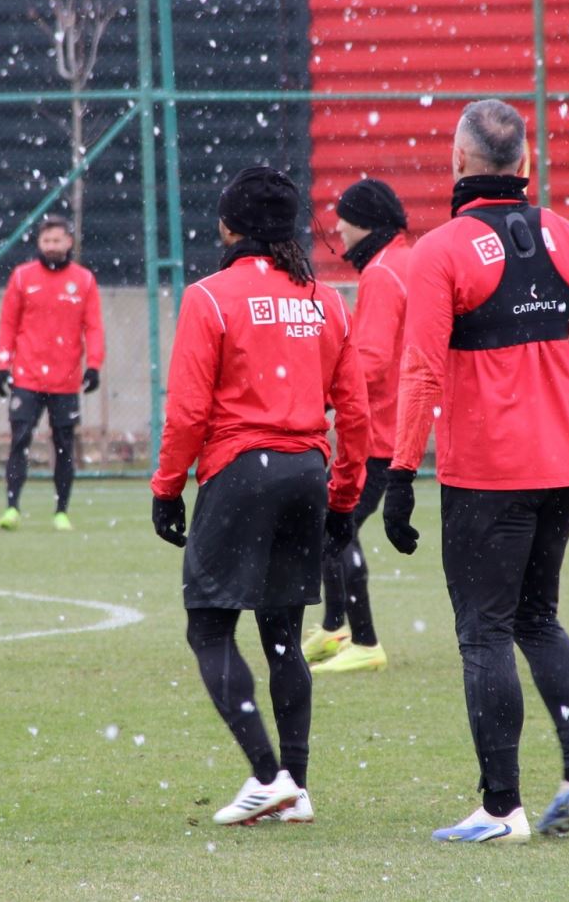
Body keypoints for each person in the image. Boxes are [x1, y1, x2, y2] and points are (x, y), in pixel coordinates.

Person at [381, 99, 569, 844]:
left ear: (458, 162)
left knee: (484, 633)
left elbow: (421, 371)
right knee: (537, 619)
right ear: (525, 164)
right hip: (561, 470)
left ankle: (500, 809)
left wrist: (399, 473)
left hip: (487, 476)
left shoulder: (441, 251)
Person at [150, 166, 370, 826]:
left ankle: (266, 774)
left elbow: (188, 411)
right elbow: (355, 413)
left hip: (242, 471)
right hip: (306, 472)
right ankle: (295, 786)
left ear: (227, 227)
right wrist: (344, 497)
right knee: (283, 637)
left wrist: (167, 487)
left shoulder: (209, 297)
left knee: (209, 626)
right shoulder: (327, 300)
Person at [301, 177, 414, 675]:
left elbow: (370, 362)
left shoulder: (383, 273)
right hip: (398, 425)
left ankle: (364, 640)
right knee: (330, 523)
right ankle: (334, 628)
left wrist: (322, 399)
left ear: (365, 222)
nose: (338, 230)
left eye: (343, 219)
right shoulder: (405, 261)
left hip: (379, 432)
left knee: (333, 526)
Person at [0, 215, 103, 531]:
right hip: (27, 377)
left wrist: (94, 365)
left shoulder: (83, 280)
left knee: (64, 445)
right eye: (46, 241)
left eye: (57, 240)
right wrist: (2, 365)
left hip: (65, 380)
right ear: (39, 243)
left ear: (69, 242)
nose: (51, 246)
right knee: (20, 439)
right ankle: (12, 507)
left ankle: (61, 511)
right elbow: (8, 324)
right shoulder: (22, 277)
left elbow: (93, 326)